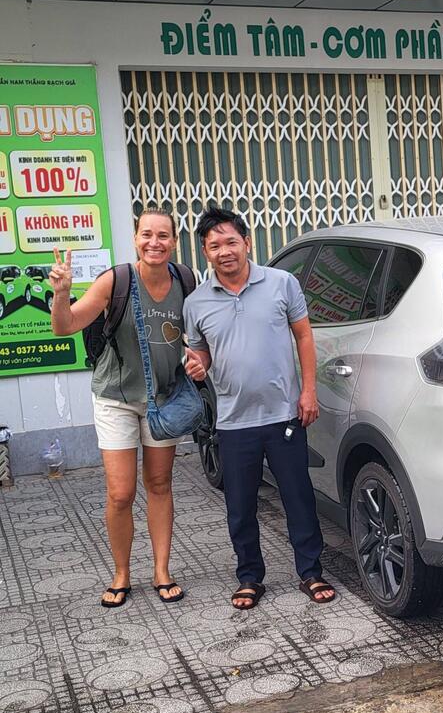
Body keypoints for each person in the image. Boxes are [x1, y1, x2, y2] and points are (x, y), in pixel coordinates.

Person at [184, 205, 336, 611]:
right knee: (240, 506)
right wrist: (198, 366)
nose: (224, 251)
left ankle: (311, 572)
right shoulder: (197, 302)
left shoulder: (282, 283)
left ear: (247, 243)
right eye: (214, 245)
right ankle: (249, 577)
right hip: (234, 421)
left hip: (285, 414)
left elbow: (304, 337)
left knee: (298, 497)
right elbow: (201, 358)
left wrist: (308, 392)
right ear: (205, 252)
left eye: (231, 241)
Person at [49, 208, 192, 608]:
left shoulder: (185, 279)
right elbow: (65, 325)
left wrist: (200, 360)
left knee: (160, 485)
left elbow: (197, 334)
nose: (155, 242)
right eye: (147, 234)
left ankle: (162, 570)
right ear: (135, 238)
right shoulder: (117, 280)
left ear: (174, 241)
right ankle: (122, 573)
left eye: (163, 235)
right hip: (115, 399)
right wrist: (62, 295)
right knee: (120, 493)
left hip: (163, 399)